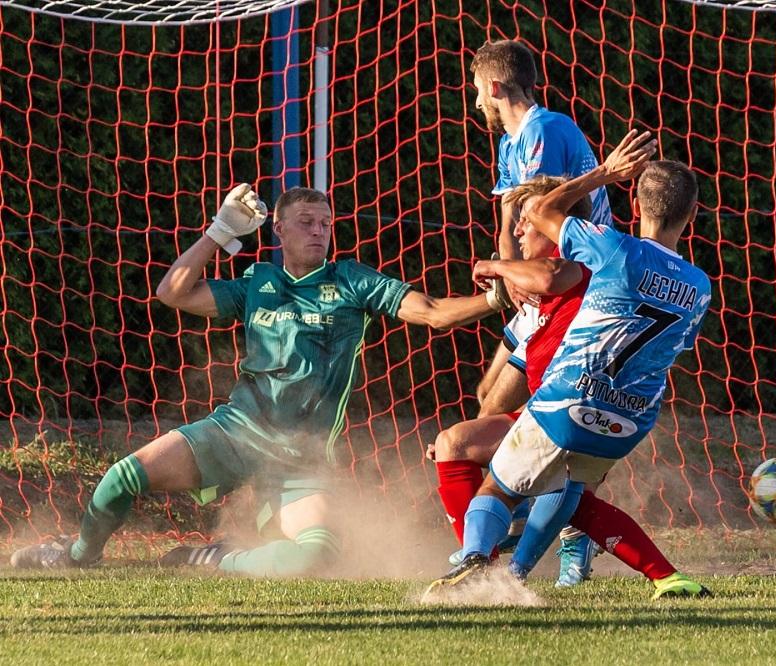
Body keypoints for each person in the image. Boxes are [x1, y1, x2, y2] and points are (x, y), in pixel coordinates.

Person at [11, 184, 508, 575]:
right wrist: (219, 231)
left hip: (299, 461)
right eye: (306, 222)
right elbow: (173, 292)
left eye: (326, 224)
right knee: (122, 478)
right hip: (234, 431)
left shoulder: (352, 281)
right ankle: (77, 554)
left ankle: (212, 559)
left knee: (315, 557)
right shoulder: (258, 282)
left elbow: (434, 313)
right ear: (279, 232)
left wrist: (491, 301)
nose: (320, 232)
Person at [428, 130, 712, 598]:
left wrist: (604, 174)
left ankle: (478, 563)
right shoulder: (699, 286)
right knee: (566, 490)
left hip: (570, 399)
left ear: (635, 209)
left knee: (497, 489)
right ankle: (657, 575)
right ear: (693, 215)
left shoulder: (612, 248)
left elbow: (542, 221)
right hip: (629, 420)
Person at [430, 38, 612, 582]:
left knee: (566, 420)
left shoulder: (541, 129)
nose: (474, 101)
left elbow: (539, 210)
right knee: (491, 401)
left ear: (493, 86)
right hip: (536, 292)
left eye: (475, 89)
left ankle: (570, 534)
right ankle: (501, 531)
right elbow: (513, 219)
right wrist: (508, 274)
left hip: (573, 290)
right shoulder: (514, 140)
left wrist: (511, 272)